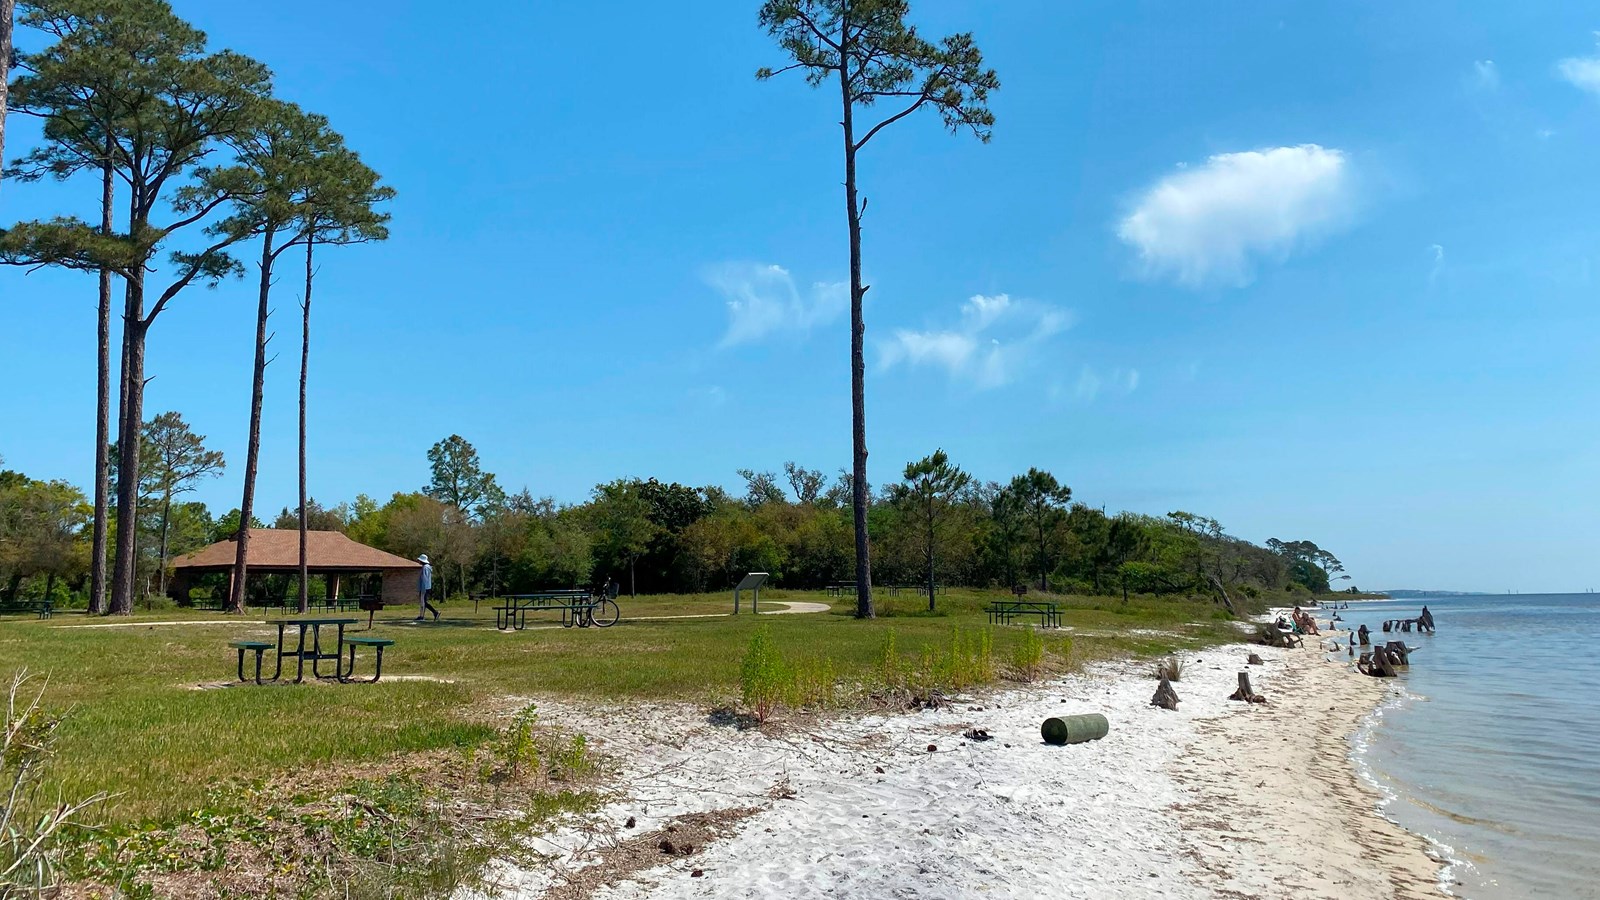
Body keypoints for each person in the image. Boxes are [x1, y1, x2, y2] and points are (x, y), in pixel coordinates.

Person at [416, 553, 439, 622]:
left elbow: (424, 578)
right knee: (424, 602)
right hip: (427, 587)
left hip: (424, 588)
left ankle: (423, 616)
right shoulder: (428, 567)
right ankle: (424, 615)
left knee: (423, 603)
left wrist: (423, 588)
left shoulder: (425, 568)